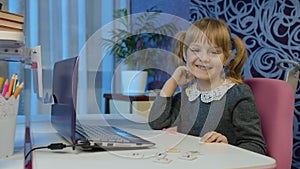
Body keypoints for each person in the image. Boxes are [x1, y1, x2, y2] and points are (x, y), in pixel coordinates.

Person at [148, 18, 267, 155]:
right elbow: (157, 122)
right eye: (196, 50)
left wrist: (226, 145)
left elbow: (257, 146)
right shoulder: (187, 94)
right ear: (185, 53)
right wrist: (172, 81)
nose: (204, 58)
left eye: (214, 52)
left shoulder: (237, 93)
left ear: (226, 58)